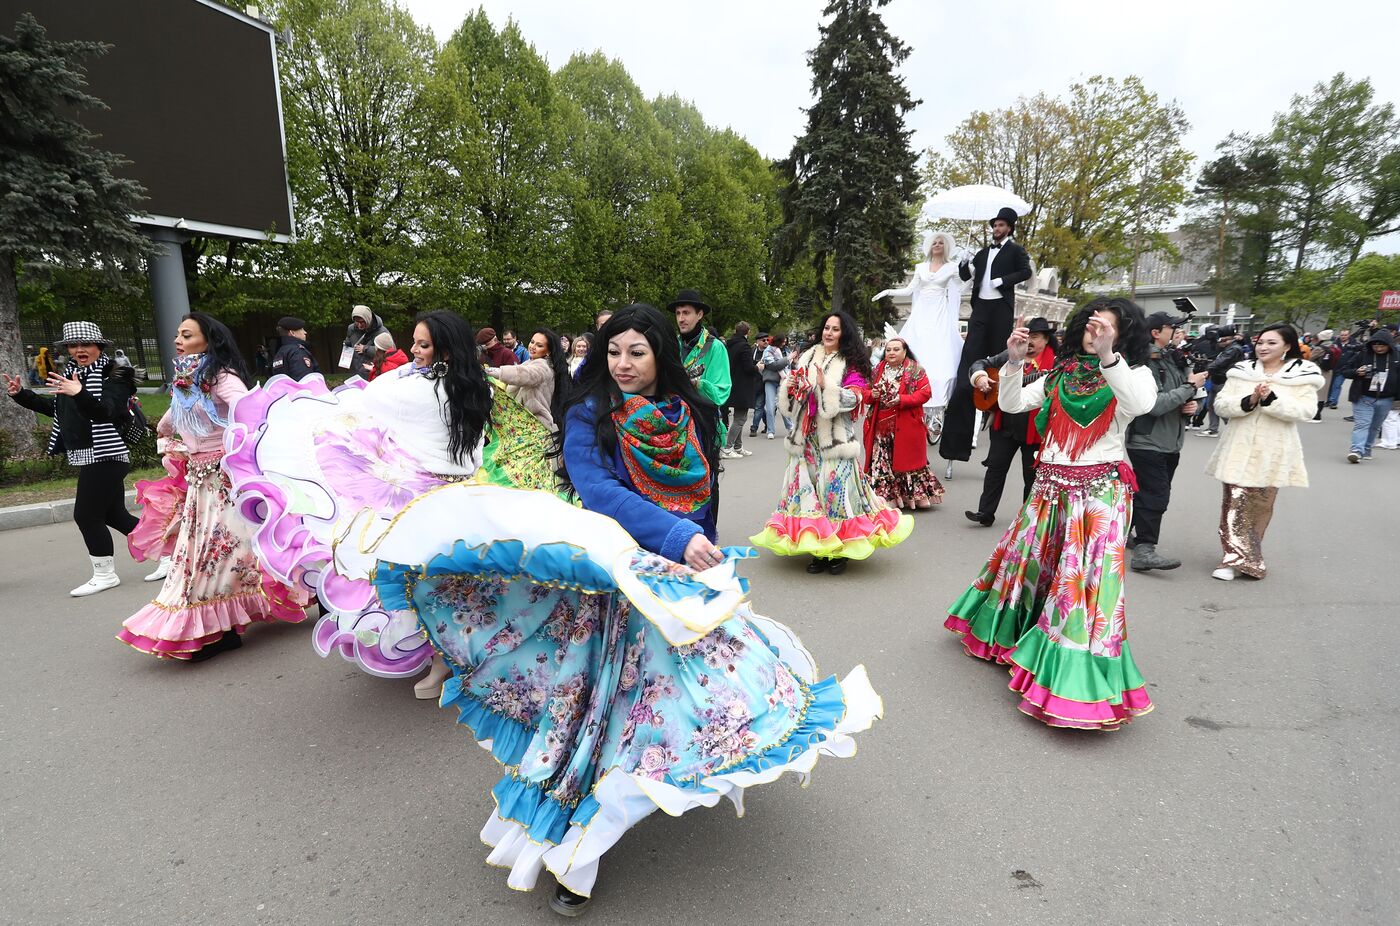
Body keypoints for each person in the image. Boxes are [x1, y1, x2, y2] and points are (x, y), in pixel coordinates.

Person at [225, 309, 558, 694]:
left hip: (427, 499)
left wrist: (406, 372)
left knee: (430, 587)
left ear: (445, 351)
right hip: (467, 492)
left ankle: (446, 663)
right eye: (415, 342)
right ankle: (465, 659)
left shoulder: (417, 390)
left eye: (422, 344)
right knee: (462, 585)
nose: (414, 350)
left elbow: (374, 395)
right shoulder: (476, 385)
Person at [945, 298, 1158, 730]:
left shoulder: (1133, 373)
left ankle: (1071, 679)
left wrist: (1107, 356)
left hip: (1099, 497)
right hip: (1049, 486)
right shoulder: (1061, 373)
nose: (1096, 332)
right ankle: (1013, 638)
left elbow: (1138, 405)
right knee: (1030, 569)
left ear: (1123, 333)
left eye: (1107, 327)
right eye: (1092, 324)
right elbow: (1010, 405)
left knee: (1078, 588)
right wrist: (1014, 363)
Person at [117, 313, 310, 660]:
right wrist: (163, 426)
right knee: (210, 551)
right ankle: (224, 623)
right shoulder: (187, 373)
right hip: (200, 479)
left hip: (224, 476)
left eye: (186, 335)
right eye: (178, 334)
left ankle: (227, 623)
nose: (178, 339)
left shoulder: (219, 374)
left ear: (208, 341)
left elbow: (247, 408)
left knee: (225, 549)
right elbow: (181, 409)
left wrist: (235, 447)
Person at [751, 310, 912, 574]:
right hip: (805, 439)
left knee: (835, 495)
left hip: (835, 438)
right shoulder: (807, 355)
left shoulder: (851, 362)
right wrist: (794, 388)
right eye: (827, 328)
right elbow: (792, 399)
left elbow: (857, 398)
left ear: (844, 333)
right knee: (810, 496)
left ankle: (839, 550)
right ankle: (819, 549)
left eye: (835, 329)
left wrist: (828, 388)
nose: (829, 333)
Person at [5, 321, 138, 596]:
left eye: (85, 344)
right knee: (114, 514)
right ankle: (171, 552)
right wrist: (22, 396)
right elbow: (57, 409)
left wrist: (80, 393)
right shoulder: (71, 374)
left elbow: (106, 412)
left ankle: (105, 574)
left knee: (86, 515)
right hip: (88, 455)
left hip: (108, 454)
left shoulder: (116, 375)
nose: (79, 350)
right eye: (73, 345)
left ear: (99, 346)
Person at [1205, 323, 1322, 580]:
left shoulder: (1303, 373)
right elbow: (1222, 405)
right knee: (1234, 502)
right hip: (1238, 446)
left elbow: (1306, 411)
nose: (1263, 347)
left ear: (1287, 346)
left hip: (1274, 449)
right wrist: (1250, 400)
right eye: (1260, 342)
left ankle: (1251, 558)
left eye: (1271, 343)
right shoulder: (1241, 371)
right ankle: (1232, 559)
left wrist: (1271, 400)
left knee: (1260, 505)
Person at [940, 208, 1033, 464]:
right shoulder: (982, 254)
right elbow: (967, 278)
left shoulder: (1016, 251)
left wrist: (1002, 280)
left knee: (998, 370)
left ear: (1009, 228)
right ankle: (955, 446)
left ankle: (997, 444)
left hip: (1000, 312)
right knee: (967, 371)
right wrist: (963, 265)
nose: (997, 229)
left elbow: (1026, 272)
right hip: (980, 311)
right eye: (995, 225)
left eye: (1001, 225)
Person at [1123, 312, 1207, 571]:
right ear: (1155, 332)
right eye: (1173, 328)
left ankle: (1125, 534)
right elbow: (1155, 405)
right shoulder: (1143, 362)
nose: (1178, 332)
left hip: (1170, 440)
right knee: (1156, 495)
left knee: (1147, 492)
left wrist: (1191, 403)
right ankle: (1144, 550)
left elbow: (1180, 395)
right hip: (1147, 439)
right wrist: (1190, 388)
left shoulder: (1171, 358)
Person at [963, 317, 1058, 527]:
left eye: (1035, 337)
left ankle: (1029, 518)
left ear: (1046, 340)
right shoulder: (1010, 355)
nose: (1030, 341)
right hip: (1004, 425)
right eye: (1026, 336)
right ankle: (985, 512)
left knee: (1031, 476)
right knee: (995, 470)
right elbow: (980, 364)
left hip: (1036, 430)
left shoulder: (1057, 363)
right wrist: (980, 377)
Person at [874, 230, 968, 439]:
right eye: (934, 242)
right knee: (916, 350)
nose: (937, 244)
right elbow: (909, 290)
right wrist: (888, 292)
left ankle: (936, 404)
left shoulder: (951, 267)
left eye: (940, 242)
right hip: (922, 313)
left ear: (945, 247)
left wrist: (967, 270)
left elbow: (962, 287)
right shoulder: (921, 268)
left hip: (939, 313)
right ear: (929, 246)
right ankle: (912, 395)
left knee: (939, 355)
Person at [862, 337, 944, 509]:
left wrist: (902, 399)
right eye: (889, 349)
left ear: (905, 351)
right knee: (882, 462)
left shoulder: (916, 370)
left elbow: (925, 393)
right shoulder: (877, 370)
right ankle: (886, 497)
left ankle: (911, 496)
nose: (891, 352)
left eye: (896, 349)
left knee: (907, 462)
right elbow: (865, 392)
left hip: (906, 424)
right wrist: (873, 395)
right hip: (880, 425)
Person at [485, 327, 568, 430]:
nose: (533, 346)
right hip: (521, 425)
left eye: (539, 345)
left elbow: (526, 375)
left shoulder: (544, 367)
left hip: (535, 427)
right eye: (532, 342)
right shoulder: (528, 363)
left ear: (548, 352)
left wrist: (494, 372)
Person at [1339, 328, 1399, 462]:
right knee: (1362, 424)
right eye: (1375, 345)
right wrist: (1356, 372)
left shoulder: (1397, 356)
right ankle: (1356, 450)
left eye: (1382, 346)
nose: (1378, 348)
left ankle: (1366, 449)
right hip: (1363, 396)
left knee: (1374, 426)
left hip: (1387, 398)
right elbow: (1344, 370)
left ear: (1389, 344)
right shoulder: (1363, 354)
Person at [670, 288, 731, 410]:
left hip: (703, 419)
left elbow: (721, 394)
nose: (681, 319)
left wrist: (696, 384)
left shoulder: (714, 346)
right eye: (678, 313)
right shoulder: (672, 344)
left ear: (699, 314)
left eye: (686, 313)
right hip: (674, 417)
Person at [721, 321, 758, 459]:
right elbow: (748, 367)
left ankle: (738, 446)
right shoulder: (745, 346)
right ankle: (728, 448)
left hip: (732, 383)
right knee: (740, 418)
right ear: (747, 332)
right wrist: (757, 368)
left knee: (738, 418)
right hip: (742, 386)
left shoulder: (728, 345)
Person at [756, 334, 790, 440]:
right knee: (770, 407)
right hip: (771, 380)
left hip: (782, 380)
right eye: (783, 341)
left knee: (783, 405)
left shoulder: (784, 350)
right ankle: (770, 430)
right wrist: (788, 359)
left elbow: (784, 366)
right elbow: (774, 365)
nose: (785, 343)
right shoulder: (769, 351)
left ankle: (790, 426)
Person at [271, 316, 319, 381]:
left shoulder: (280, 352)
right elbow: (305, 381)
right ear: (292, 333)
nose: (305, 332)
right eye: (301, 329)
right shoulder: (297, 351)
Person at [748, 332, 771, 437]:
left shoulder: (770, 352)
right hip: (754, 382)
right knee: (760, 407)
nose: (766, 342)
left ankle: (754, 428)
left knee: (758, 406)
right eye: (763, 340)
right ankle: (768, 425)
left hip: (766, 382)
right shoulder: (752, 351)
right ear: (758, 341)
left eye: (767, 340)